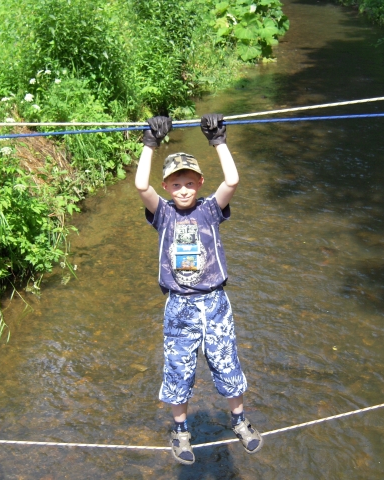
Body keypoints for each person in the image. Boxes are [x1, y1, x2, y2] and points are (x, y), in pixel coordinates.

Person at [135, 114, 262, 465]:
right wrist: (150, 143)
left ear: (200, 183)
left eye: (189, 182)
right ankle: (180, 431)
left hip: (215, 302)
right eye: (176, 184)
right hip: (180, 306)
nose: (184, 189)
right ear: (166, 187)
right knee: (178, 368)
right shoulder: (162, 214)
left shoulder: (209, 211)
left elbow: (232, 180)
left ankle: (239, 421)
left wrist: (218, 140)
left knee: (226, 361)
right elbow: (141, 186)